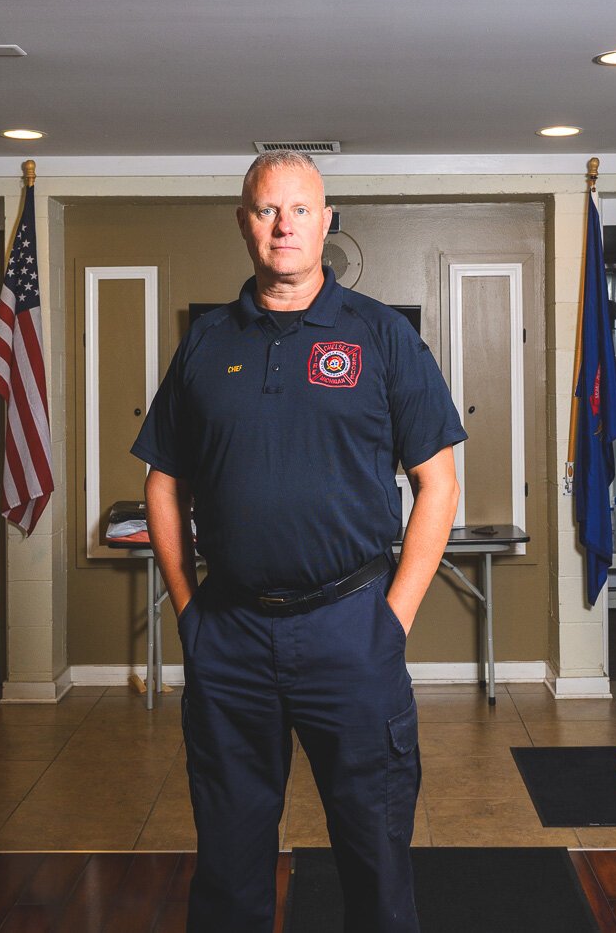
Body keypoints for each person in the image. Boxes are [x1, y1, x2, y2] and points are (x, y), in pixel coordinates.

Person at [132, 150, 465, 932]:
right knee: (229, 861)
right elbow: (162, 481)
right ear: (244, 223)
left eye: (301, 209)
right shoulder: (208, 342)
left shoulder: (380, 336)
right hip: (231, 632)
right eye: (266, 210)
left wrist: (392, 622)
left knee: (375, 855)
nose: (284, 225)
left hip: (350, 628)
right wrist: (191, 613)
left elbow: (439, 483)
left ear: (327, 222)